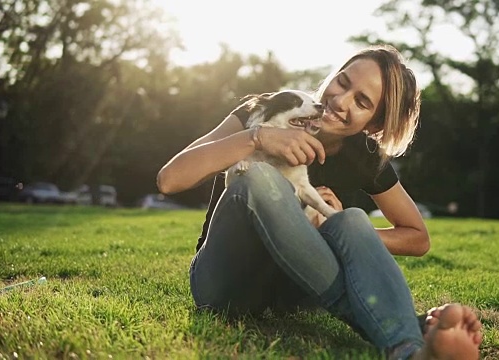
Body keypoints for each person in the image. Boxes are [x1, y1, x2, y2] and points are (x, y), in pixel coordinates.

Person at [157, 44, 482, 359]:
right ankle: (409, 327)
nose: (340, 101)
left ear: (373, 124)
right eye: (342, 81)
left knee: (352, 221)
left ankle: (412, 353)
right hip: (224, 285)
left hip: (294, 293)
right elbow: (170, 179)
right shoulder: (267, 110)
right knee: (257, 178)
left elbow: (417, 237)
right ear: (333, 73)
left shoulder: (364, 157)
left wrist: (331, 228)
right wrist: (256, 138)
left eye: (362, 101)